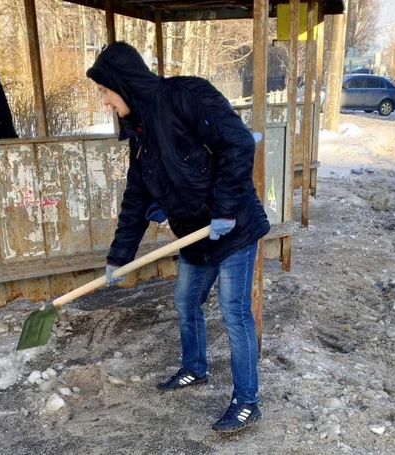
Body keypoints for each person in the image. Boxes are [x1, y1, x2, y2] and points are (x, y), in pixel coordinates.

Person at [86, 42, 270, 433]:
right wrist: (119, 256)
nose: (103, 103)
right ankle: (194, 367)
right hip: (194, 235)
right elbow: (136, 196)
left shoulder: (185, 95)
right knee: (185, 301)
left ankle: (247, 401)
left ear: (121, 83)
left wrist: (223, 210)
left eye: (104, 91)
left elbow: (237, 143)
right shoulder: (140, 132)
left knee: (234, 313)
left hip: (232, 227)